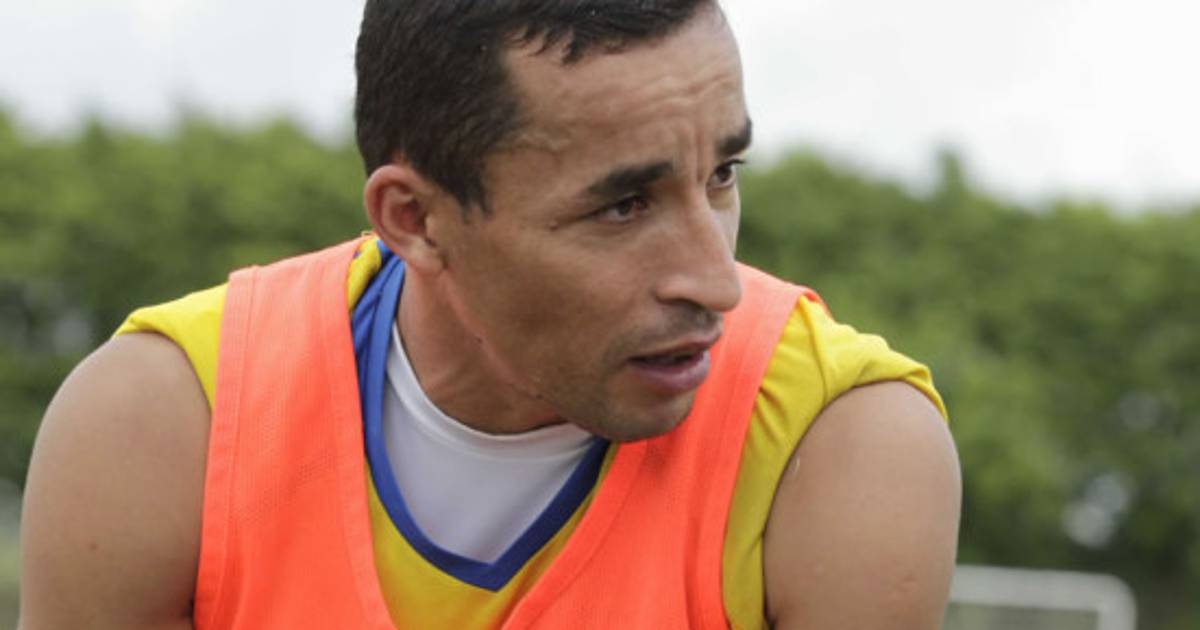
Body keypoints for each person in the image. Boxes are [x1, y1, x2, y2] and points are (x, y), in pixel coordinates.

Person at [19, 1, 961, 628]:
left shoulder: (841, 446)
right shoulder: (162, 425)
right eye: (622, 206)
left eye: (722, 174)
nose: (718, 283)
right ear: (415, 219)